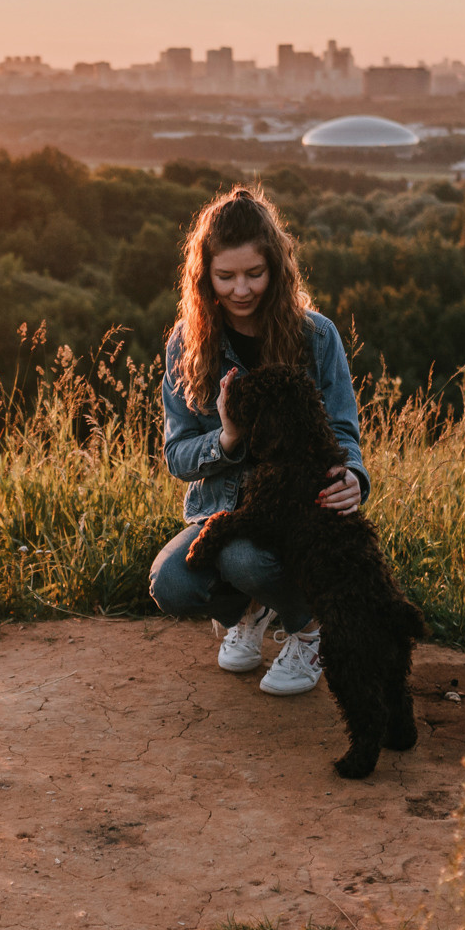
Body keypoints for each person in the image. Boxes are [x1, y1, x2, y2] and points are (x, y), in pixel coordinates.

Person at [149, 184, 370, 696]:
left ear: (277, 268)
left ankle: (309, 632)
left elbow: (342, 429)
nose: (242, 289)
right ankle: (250, 609)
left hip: (298, 512)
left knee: (241, 557)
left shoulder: (317, 336)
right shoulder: (186, 343)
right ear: (204, 275)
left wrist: (354, 478)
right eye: (225, 276)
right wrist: (226, 439)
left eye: (255, 273)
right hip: (221, 509)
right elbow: (177, 456)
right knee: (171, 583)